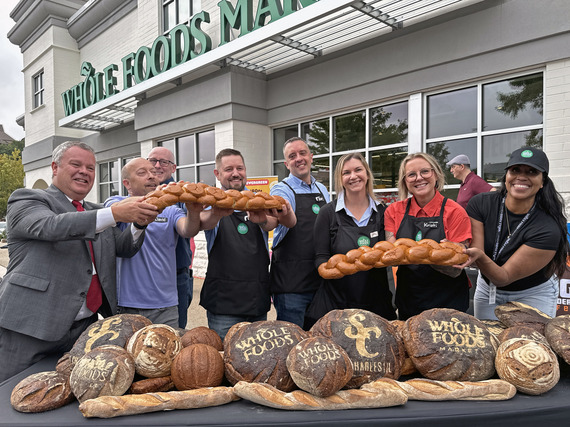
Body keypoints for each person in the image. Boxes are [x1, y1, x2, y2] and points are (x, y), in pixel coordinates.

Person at [0, 141, 158, 381]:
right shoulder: (28, 199)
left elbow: (124, 248)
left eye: (91, 168)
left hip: (84, 328)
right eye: (76, 164)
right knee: (12, 396)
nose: (84, 171)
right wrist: (115, 213)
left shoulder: (96, 212)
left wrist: (139, 223)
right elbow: (50, 227)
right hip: (31, 325)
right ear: (55, 167)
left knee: (66, 396)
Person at [463, 147, 569, 319]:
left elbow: (503, 277)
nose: (521, 176)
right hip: (489, 290)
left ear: (542, 181)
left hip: (532, 294)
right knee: (487, 342)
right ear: (506, 177)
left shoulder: (548, 228)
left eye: (532, 172)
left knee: (528, 344)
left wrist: (478, 257)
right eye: (515, 170)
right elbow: (476, 255)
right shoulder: (480, 204)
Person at [199, 148, 295, 340]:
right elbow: (204, 221)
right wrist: (217, 212)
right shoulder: (211, 204)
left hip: (255, 300)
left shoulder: (258, 201)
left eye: (240, 168)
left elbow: (272, 223)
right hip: (223, 304)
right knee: (224, 359)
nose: (235, 173)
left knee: (256, 360)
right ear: (217, 174)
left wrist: (260, 219)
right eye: (228, 169)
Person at [104, 158, 202, 328]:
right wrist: (157, 197)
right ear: (127, 183)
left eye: (153, 172)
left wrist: (193, 211)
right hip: (127, 305)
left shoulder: (171, 209)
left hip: (166, 305)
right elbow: (114, 212)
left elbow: (188, 230)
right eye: (142, 173)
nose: (151, 176)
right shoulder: (115, 203)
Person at [306, 153, 396, 328]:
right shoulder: (327, 213)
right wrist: (327, 269)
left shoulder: (383, 212)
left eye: (358, 170)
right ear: (340, 179)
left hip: (376, 305)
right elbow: (320, 257)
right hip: (335, 305)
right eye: (346, 172)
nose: (353, 176)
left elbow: (391, 253)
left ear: (367, 174)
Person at [384, 152, 472, 320]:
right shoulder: (394, 211)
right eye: (411, 174)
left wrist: (452, 253)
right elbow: (392, 255)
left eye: (425, 171)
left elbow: (456, 268)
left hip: (448, 301)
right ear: (405, 181)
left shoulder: (455, 212)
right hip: (409, 299)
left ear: (436, 174)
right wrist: (438, 253)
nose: (419, 178)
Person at [269, 137, 330, 328]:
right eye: (292, 156)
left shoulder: (323, 189)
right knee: (292, 343)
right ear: (287, 164)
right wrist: (282, 211)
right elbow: (279, 211)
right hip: (291, 287)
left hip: (320, 283)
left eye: (303, 153)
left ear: (311, 157)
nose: (299, 159)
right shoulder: (281, 189)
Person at [147, 146, 194, 329]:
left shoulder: (183, 193)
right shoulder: (138, 192)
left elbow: (192, 225)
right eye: (153, 161)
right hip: (141, 279)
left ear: (173, 168)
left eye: (164, 162)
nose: (157, 165)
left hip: (176, 276)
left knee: (173, 336)